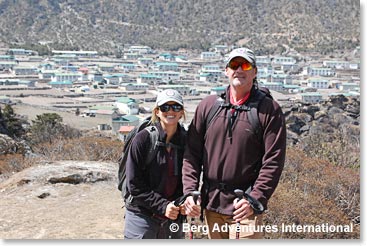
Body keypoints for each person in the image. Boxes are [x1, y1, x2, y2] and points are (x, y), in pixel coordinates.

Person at [182, 47, 287, 239]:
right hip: (211, 204)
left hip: (245, 207)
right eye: (234, 65)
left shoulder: (269, 110)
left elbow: (273, 161)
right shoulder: (208, 106)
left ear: (254, 72)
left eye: (245, 65)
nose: (239, 70)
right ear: (226, 71)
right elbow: (192, 154)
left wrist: (255, 198)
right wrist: (190, 191)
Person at [123, 89, 187, 239]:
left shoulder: (186, 141)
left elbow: (188, 177)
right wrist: (163, 206)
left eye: (176, 107)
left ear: (181, 112)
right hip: (142, 214)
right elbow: (134, 185)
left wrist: (183, 202)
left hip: (173, 215)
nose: (170, 111)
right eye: (165, 107)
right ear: (157, 112)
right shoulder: (143, 139)